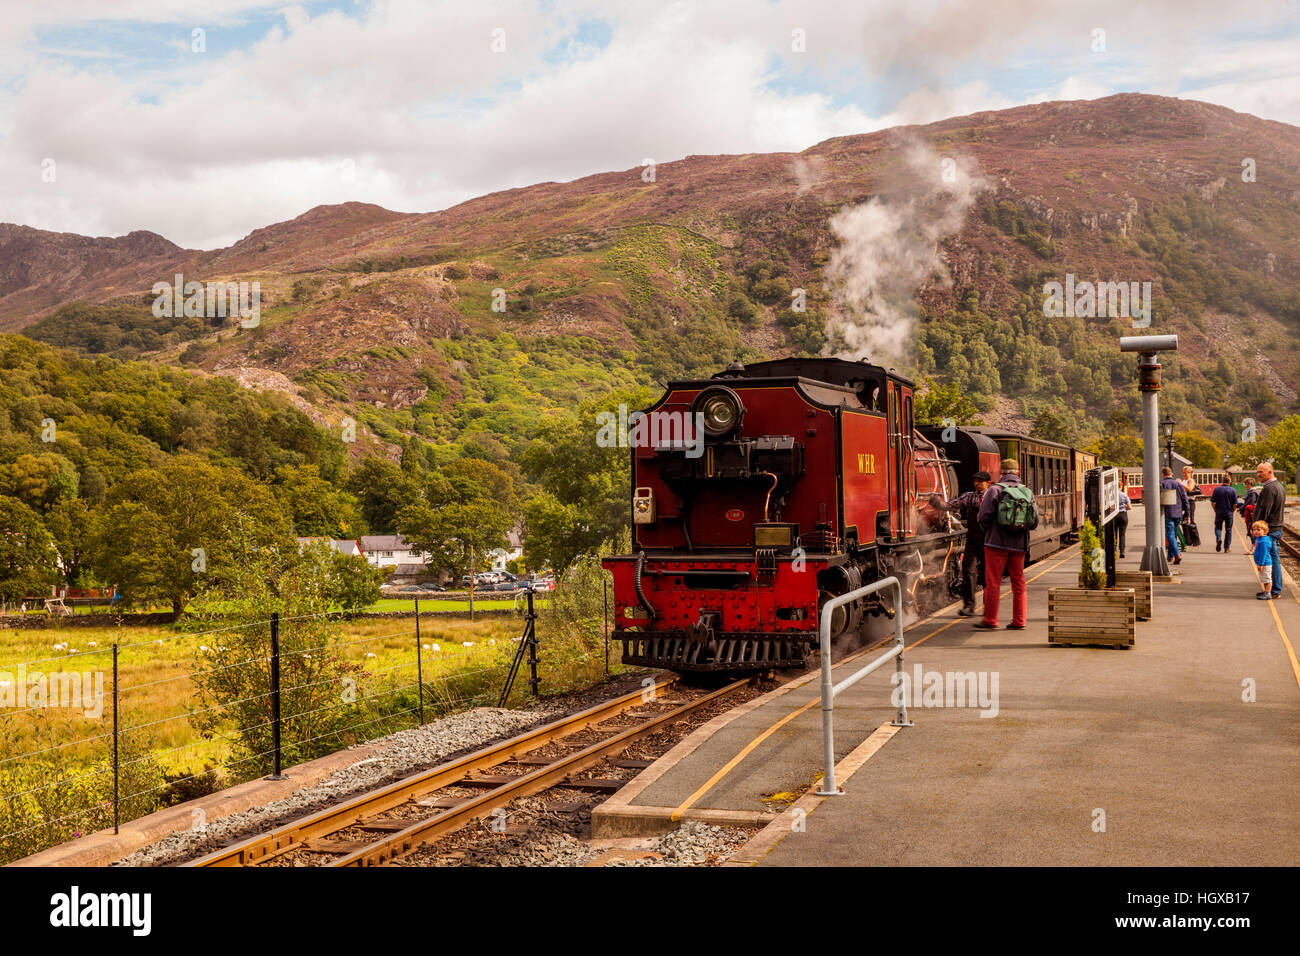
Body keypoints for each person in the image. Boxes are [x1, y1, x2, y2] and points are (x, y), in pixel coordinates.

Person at [975, 458, 1036, 630]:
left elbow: (983, 517)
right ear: (1017, 473)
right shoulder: (1027, 492)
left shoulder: (994, 490)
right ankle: (1019, 620)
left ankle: (991, 620)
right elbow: (1035, 521)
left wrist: (992, 530)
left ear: (1001, 473)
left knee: (993, 581)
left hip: (996, 544)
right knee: (1018, 582)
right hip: (1019, 545)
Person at [946, 470, 992, 616]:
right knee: (968, 570)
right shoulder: (969, 497)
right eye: (975, 481)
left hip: (988, 539)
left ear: (987, 483)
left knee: (987, 574)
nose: (977, 483)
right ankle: (969, 605)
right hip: (972, 539)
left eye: (980, 481)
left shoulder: (993, 497)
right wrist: (939, 505)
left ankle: (989, 606)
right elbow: (953, 504)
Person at [1252, 462, 1285, 599]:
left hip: (1269, 530)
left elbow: (1264, 510)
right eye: (1258, 471)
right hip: (1275, 528)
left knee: (1272, 560)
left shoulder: (1269, 489)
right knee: (1273, 559)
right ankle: (1273, 589)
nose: (1258, 474)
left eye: (1261, 472)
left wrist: (1257, 528)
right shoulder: (1279, 487)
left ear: (1270, 472)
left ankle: (1274, 590)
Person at [1160, 466, 1190, 565]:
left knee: (1170, 535)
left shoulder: (1162, 484)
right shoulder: (1178, 484)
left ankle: (1177, 554)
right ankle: (1170, 556)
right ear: (1171, 473)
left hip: (1167, 513)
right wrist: (1188, 514)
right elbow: (1185, 499)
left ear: (1163, 474)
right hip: (1178, 513)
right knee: (1174, 534)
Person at [1209, 474, 1239, 554]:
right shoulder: (1233, 490)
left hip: (1219, 512)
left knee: (1218, 527)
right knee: (1228, 529)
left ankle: (1219, 538)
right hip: (1229, 512)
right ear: (1230, 481)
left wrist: (1215, 510)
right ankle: (1227, 547)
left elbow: (1212, 502)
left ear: (1222, 481)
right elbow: (1235, 504)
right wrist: (1233, 510)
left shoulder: (1217, 489)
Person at [1251, 520, 1279, 601]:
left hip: (1265, 563)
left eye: (1258, 530)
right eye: (1254, 529)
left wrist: (1260, 564)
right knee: (1263, 578)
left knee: (1267, 579)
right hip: (1262, 563)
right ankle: (1265, 592)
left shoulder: (1263, 541)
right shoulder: (1259, 539)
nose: (1256, 531)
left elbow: (1263, 554)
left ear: (1265, 531)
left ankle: (1268, 593)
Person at [1115, 487, 1131, 558]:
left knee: (1114, 533)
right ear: (1120, 487)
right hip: (1123, 515)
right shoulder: (1124, 495)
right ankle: (1122, 552)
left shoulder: (1112, 495)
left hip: (1114, 515)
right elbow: (1129, 507)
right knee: (1122, 534)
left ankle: (1114, 550)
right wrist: (1124, 507)